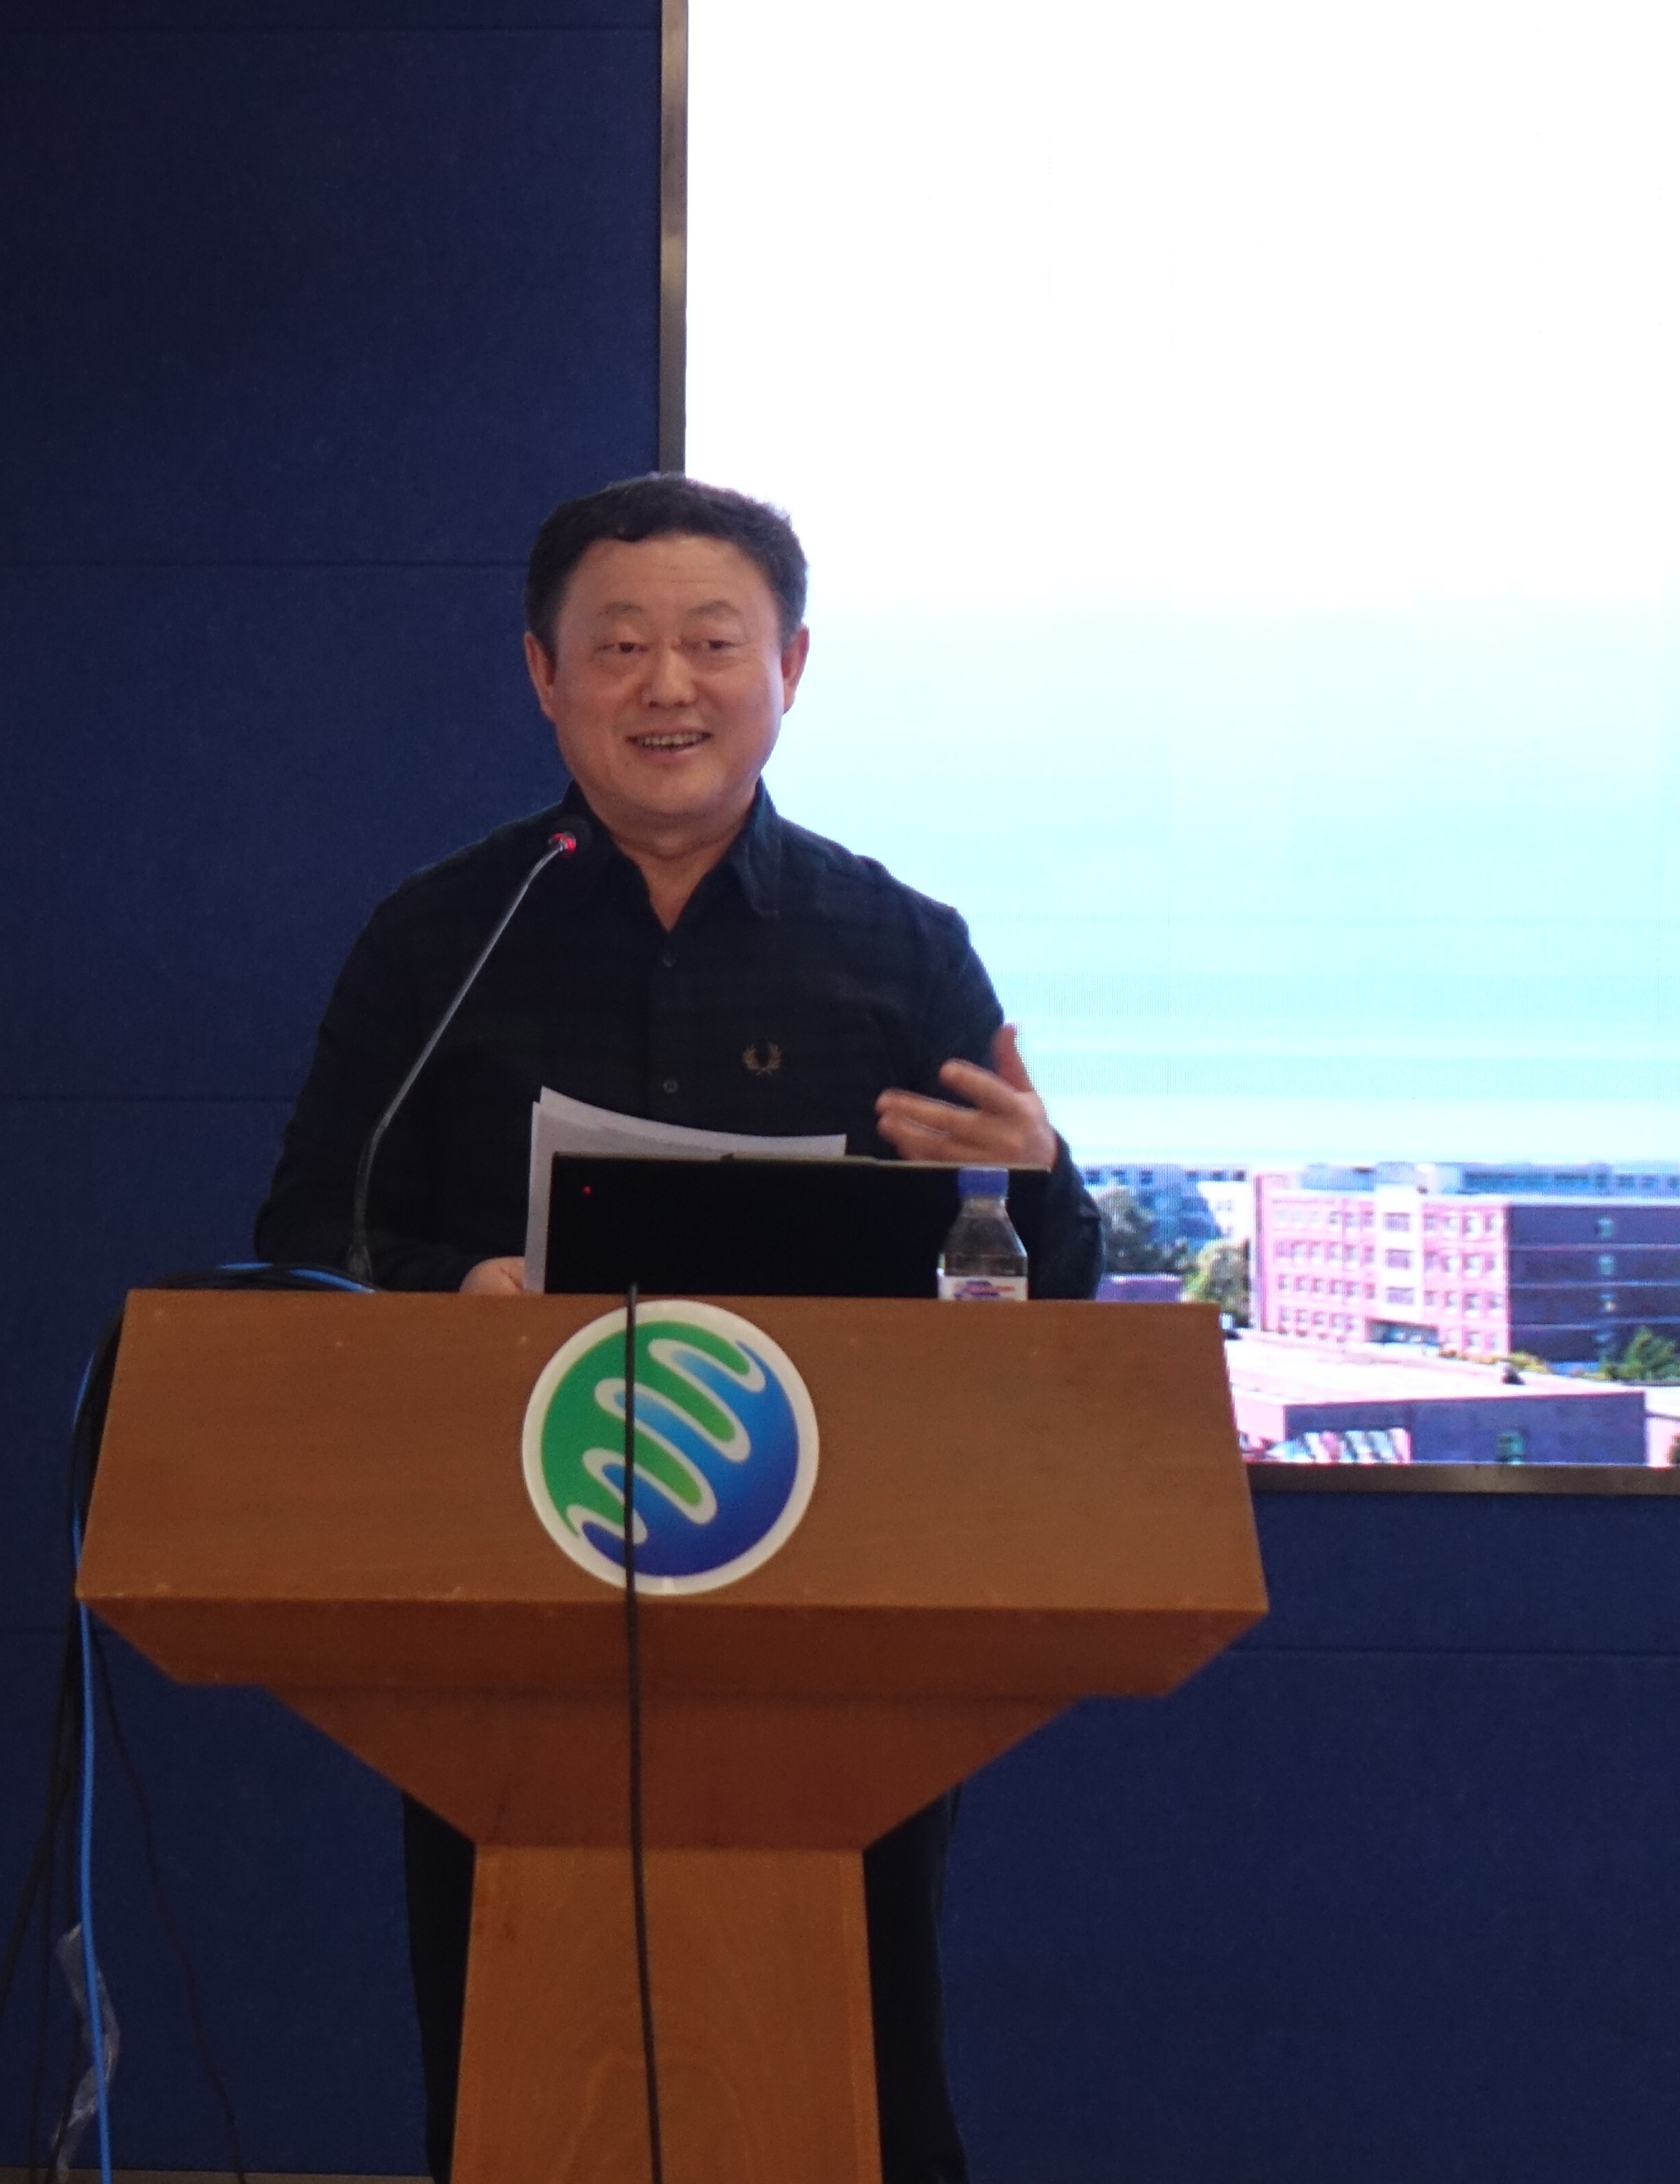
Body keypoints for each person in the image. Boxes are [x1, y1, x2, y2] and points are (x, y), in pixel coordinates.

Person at [255, 474, 1102, 2184]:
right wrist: (458, 1293)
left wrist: (1033, 1179)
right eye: (618, 644)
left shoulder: (897, 946)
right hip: (511, 1581)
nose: (666, 686)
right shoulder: (438, 939)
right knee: (516, 2061)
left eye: (712, 643)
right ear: (541, 674)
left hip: (829, 1593)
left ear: (790, 667)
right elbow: (303, 1238)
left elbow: (1048, 1286)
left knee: (856, 2059)